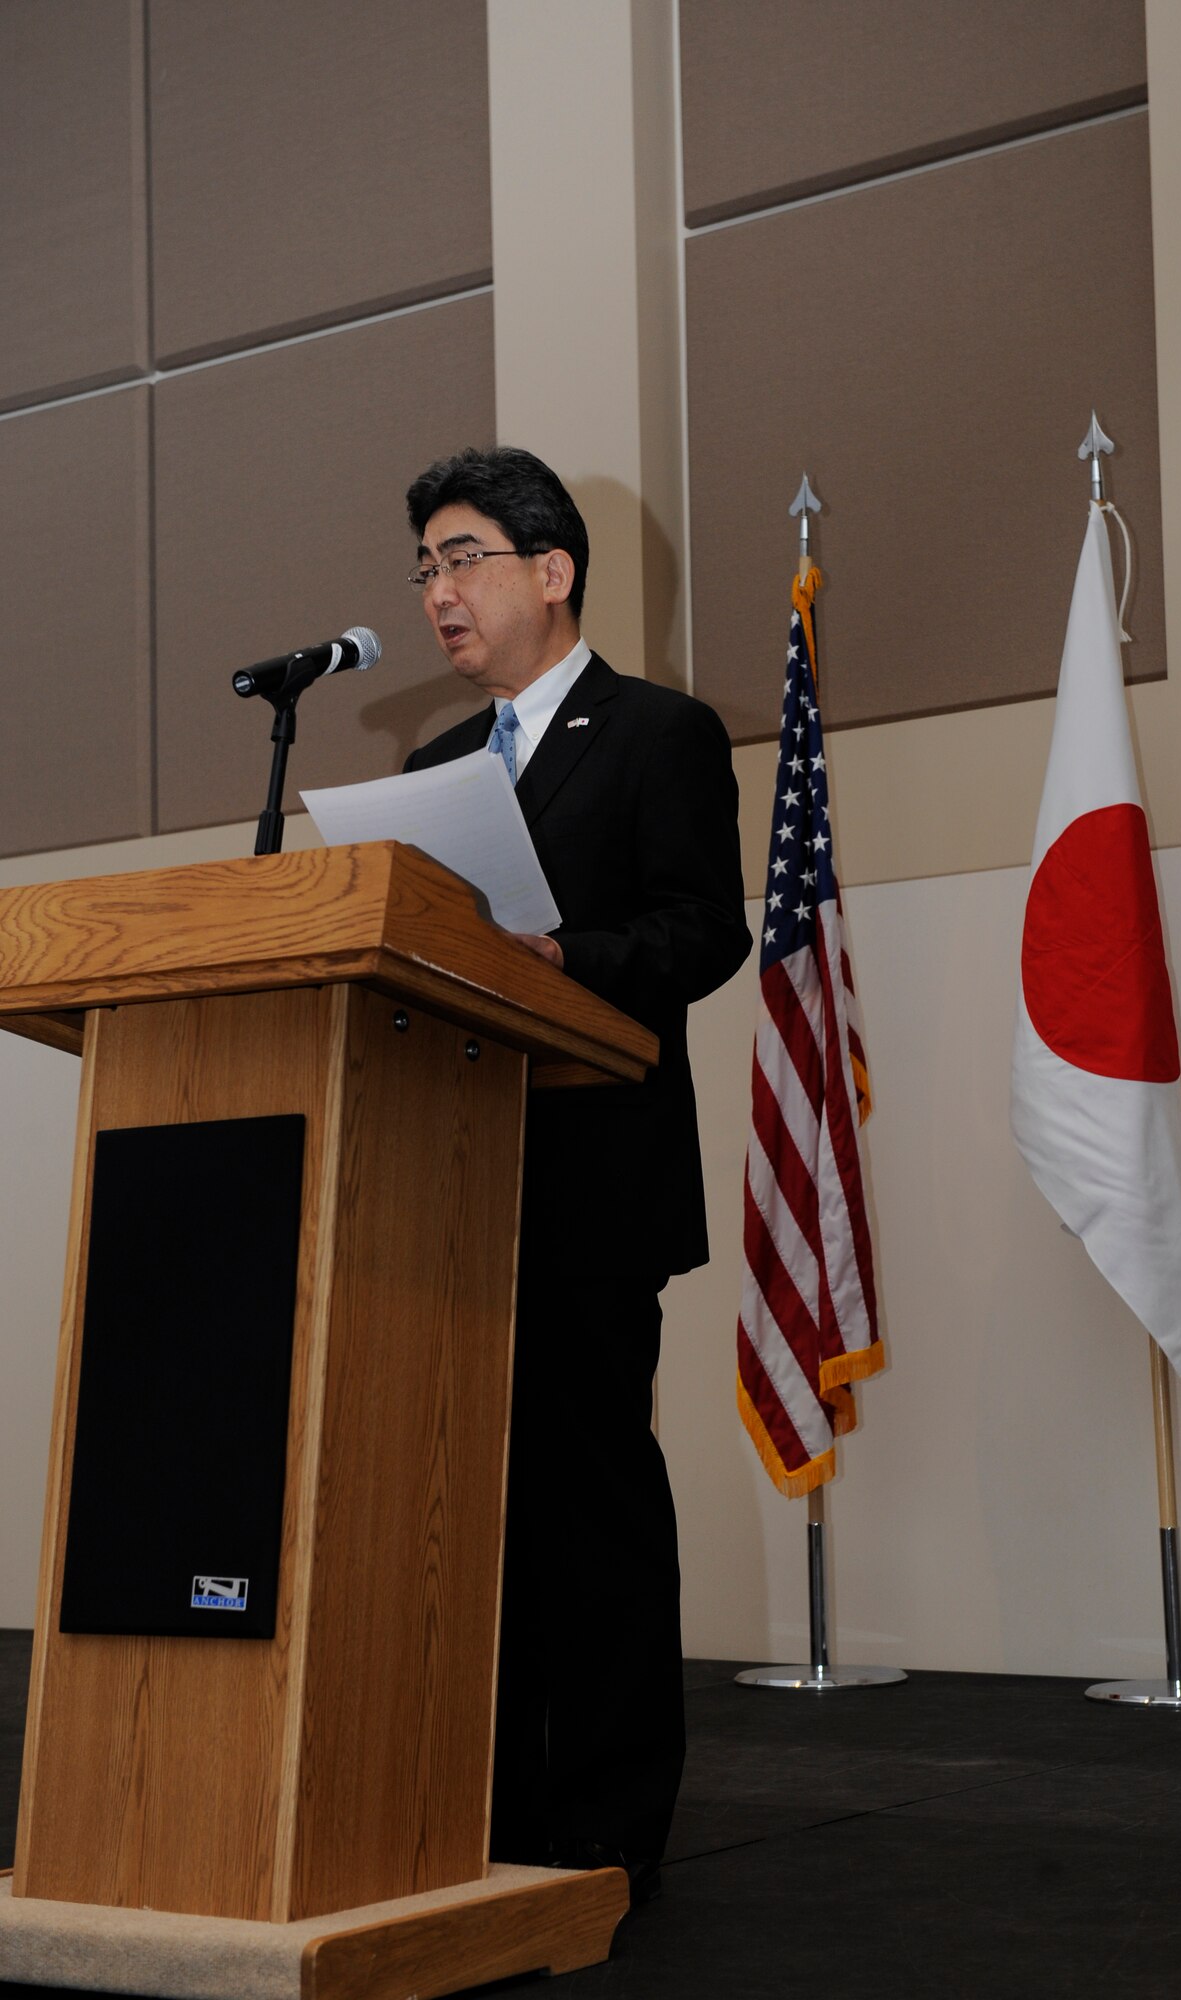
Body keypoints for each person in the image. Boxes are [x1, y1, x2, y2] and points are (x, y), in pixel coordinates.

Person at [403, 446, 751, 1900]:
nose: (438, 592)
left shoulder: (660, 733)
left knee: (588, 1504)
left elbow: (702, 932)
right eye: (423, 566)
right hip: (447, 1193)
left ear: (552, 571)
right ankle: (484, 1808)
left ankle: (608, 1823)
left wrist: (562, 962)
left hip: (592, 1185)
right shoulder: (428, 771)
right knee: (464, 1518)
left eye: (463, 557)